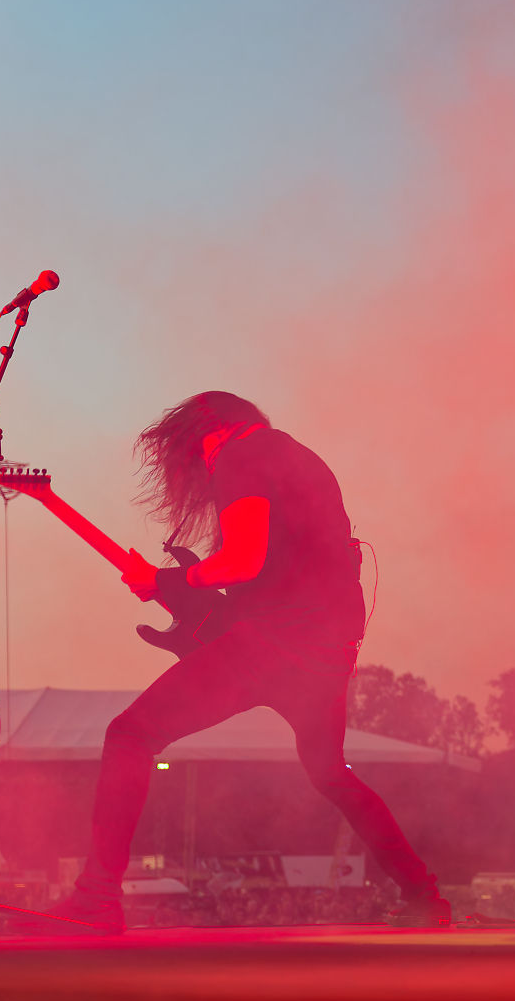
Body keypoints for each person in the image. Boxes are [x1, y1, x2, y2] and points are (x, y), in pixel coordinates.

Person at [49, 392, 452, 934]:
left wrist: (165, 580)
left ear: (211, 432)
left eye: (194, 451)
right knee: (332, 773)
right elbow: (272, 572)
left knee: (130, 735)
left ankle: (97, 897)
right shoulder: (297, 459)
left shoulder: (242, 456)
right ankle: (425, 896)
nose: (198, 466)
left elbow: (242, 560)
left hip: (273, 647)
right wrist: (185, 598)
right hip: (326, 655)